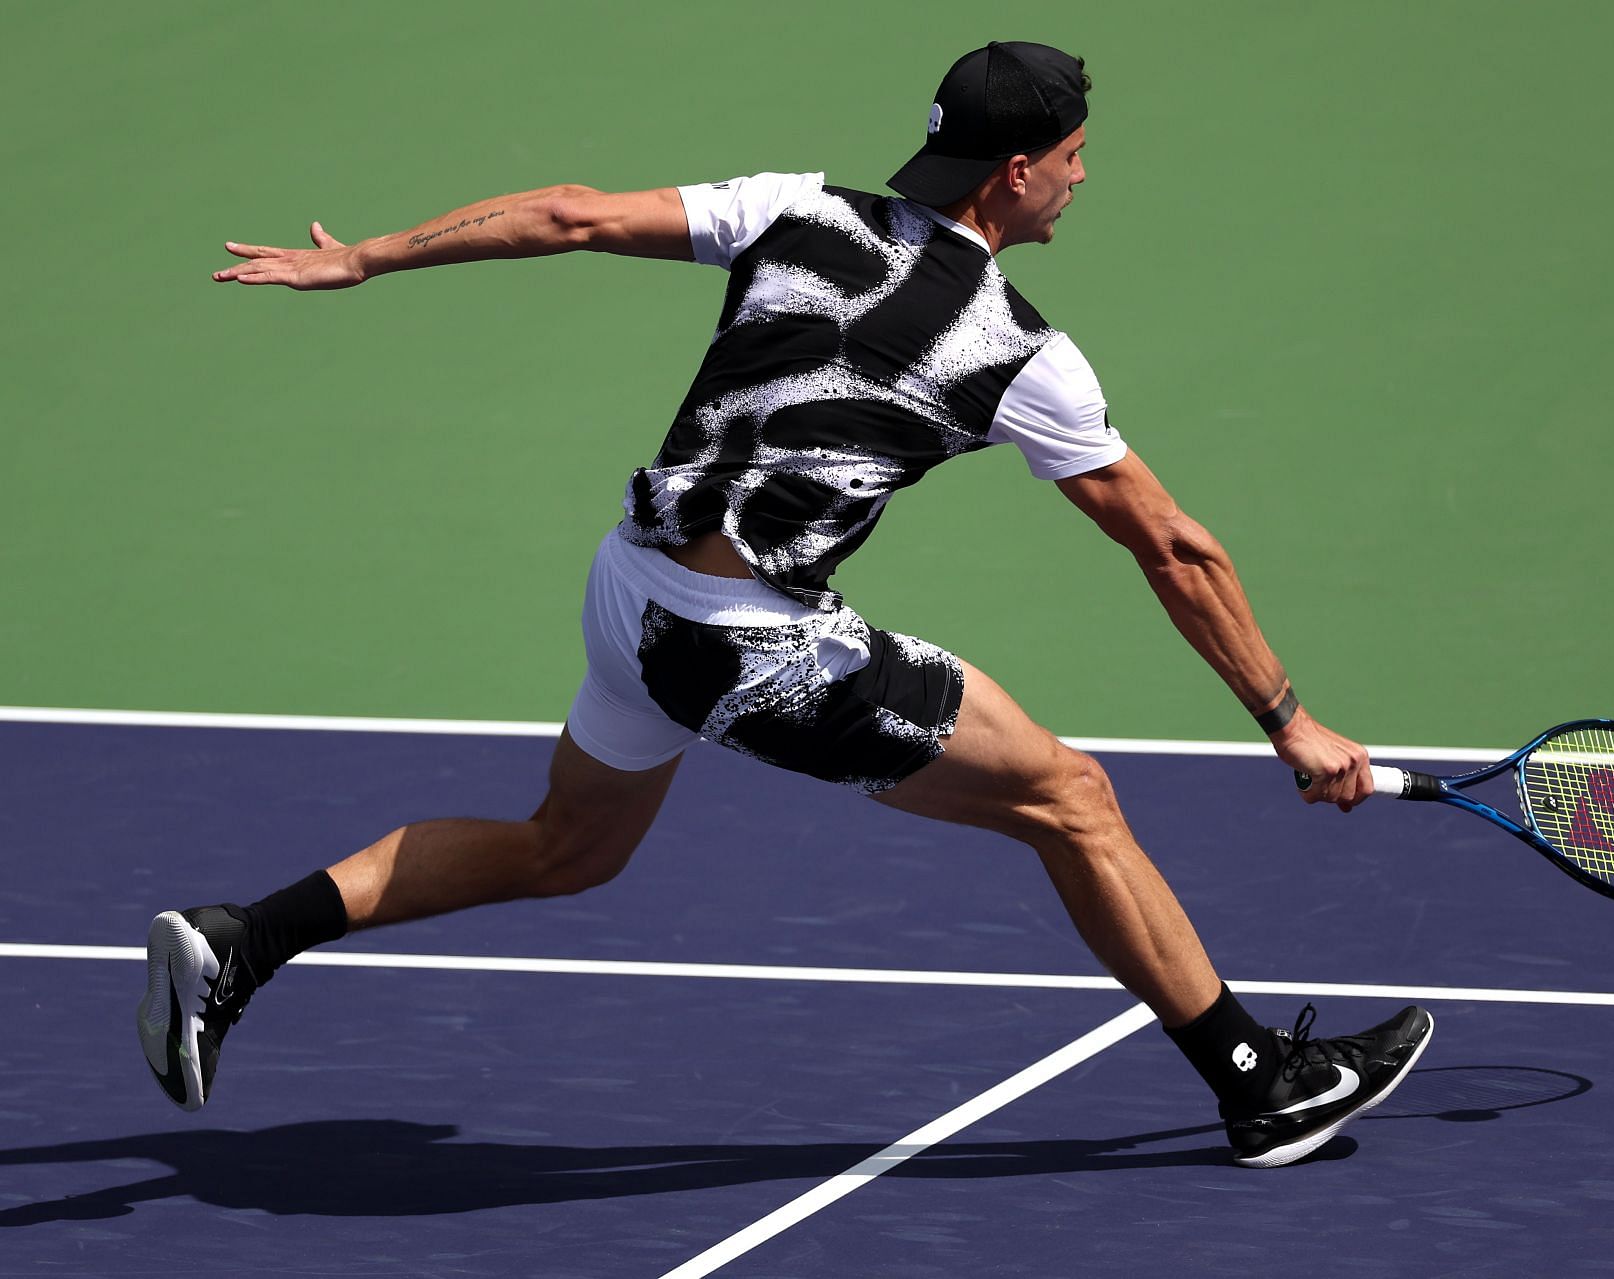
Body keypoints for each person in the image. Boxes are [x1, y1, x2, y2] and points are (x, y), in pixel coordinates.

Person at [140, 41, 1431, 1168]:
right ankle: (1263, 1086)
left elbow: (572, 215)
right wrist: (1289, 720)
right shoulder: (1022, 355)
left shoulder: (792, 211)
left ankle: (243, 941)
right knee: (1076, 802)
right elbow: (1179, 549)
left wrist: (365, 259)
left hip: (628, 589)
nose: (1086, 177)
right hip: (746, 648)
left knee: (568, 854)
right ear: (1017, 172)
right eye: (1077, 155)